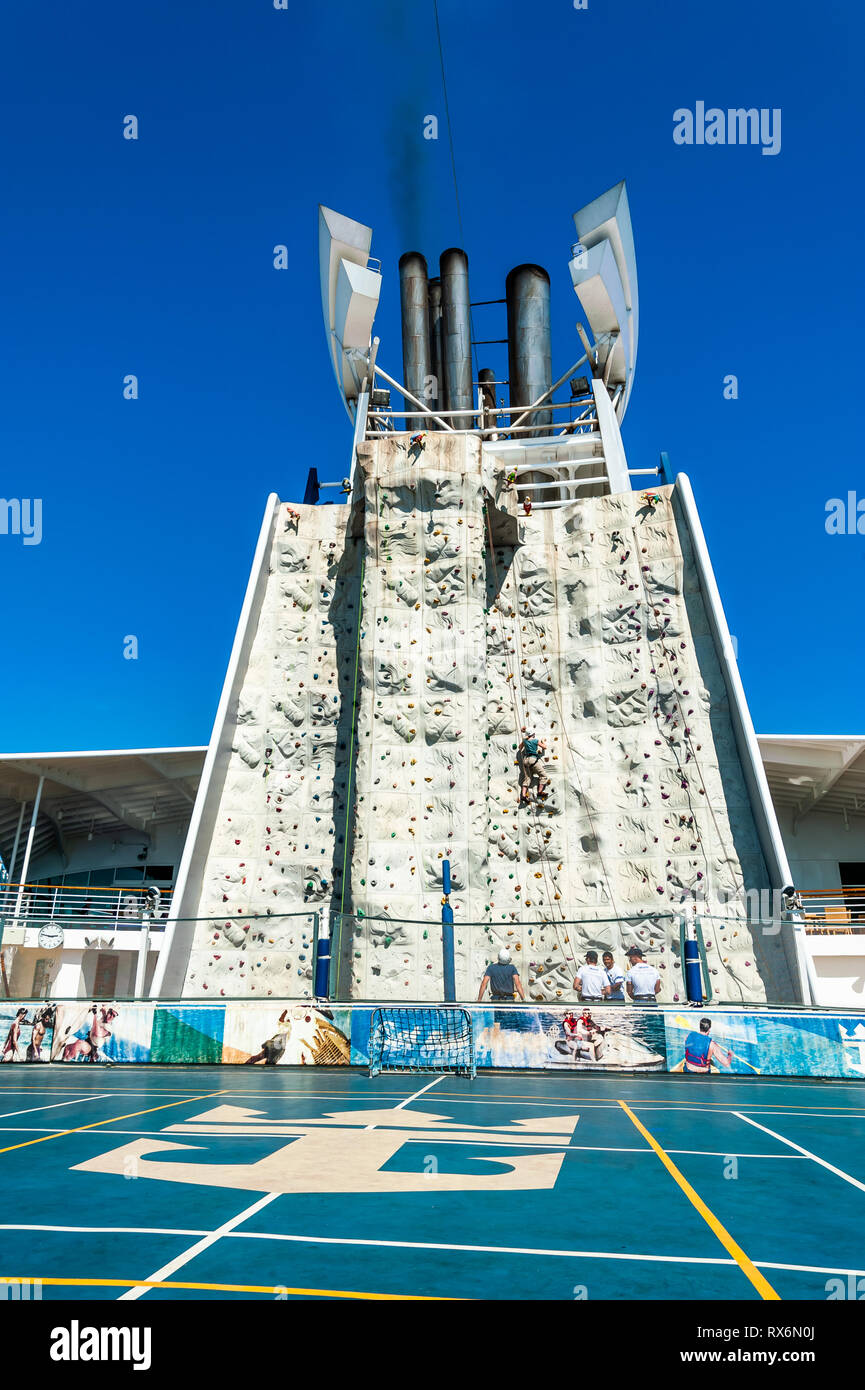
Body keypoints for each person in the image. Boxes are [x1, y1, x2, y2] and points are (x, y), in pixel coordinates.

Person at [518, 735, 548, 807]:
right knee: (543, 775)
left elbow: (519, 747)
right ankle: (540, 792)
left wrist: (523, 740)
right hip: (533, 759)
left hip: (526, 760)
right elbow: (544, 747)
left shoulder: (525, 741)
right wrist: (543, 741)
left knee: (527, 779)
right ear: (533, 734)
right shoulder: (535, 740)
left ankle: (523, 796)